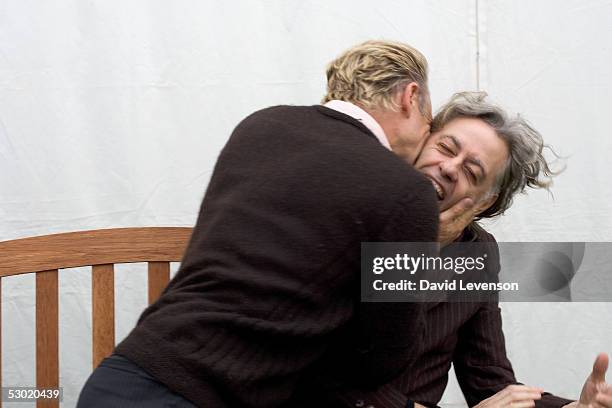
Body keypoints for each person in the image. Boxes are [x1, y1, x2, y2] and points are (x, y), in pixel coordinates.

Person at [77, 40, 460, 407]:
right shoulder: (406, 192)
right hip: (206, 395)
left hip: (125, 372)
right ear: (410, 97)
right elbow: (382, 358)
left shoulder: (261, 124)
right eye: (432, 128)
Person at [359, 92, 611, 408]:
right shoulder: (355, 219)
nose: (449, 167)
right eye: (445, 148)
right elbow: (335, 373)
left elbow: (489, 381)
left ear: (485, 201)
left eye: (472, 171)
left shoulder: (477, 252)